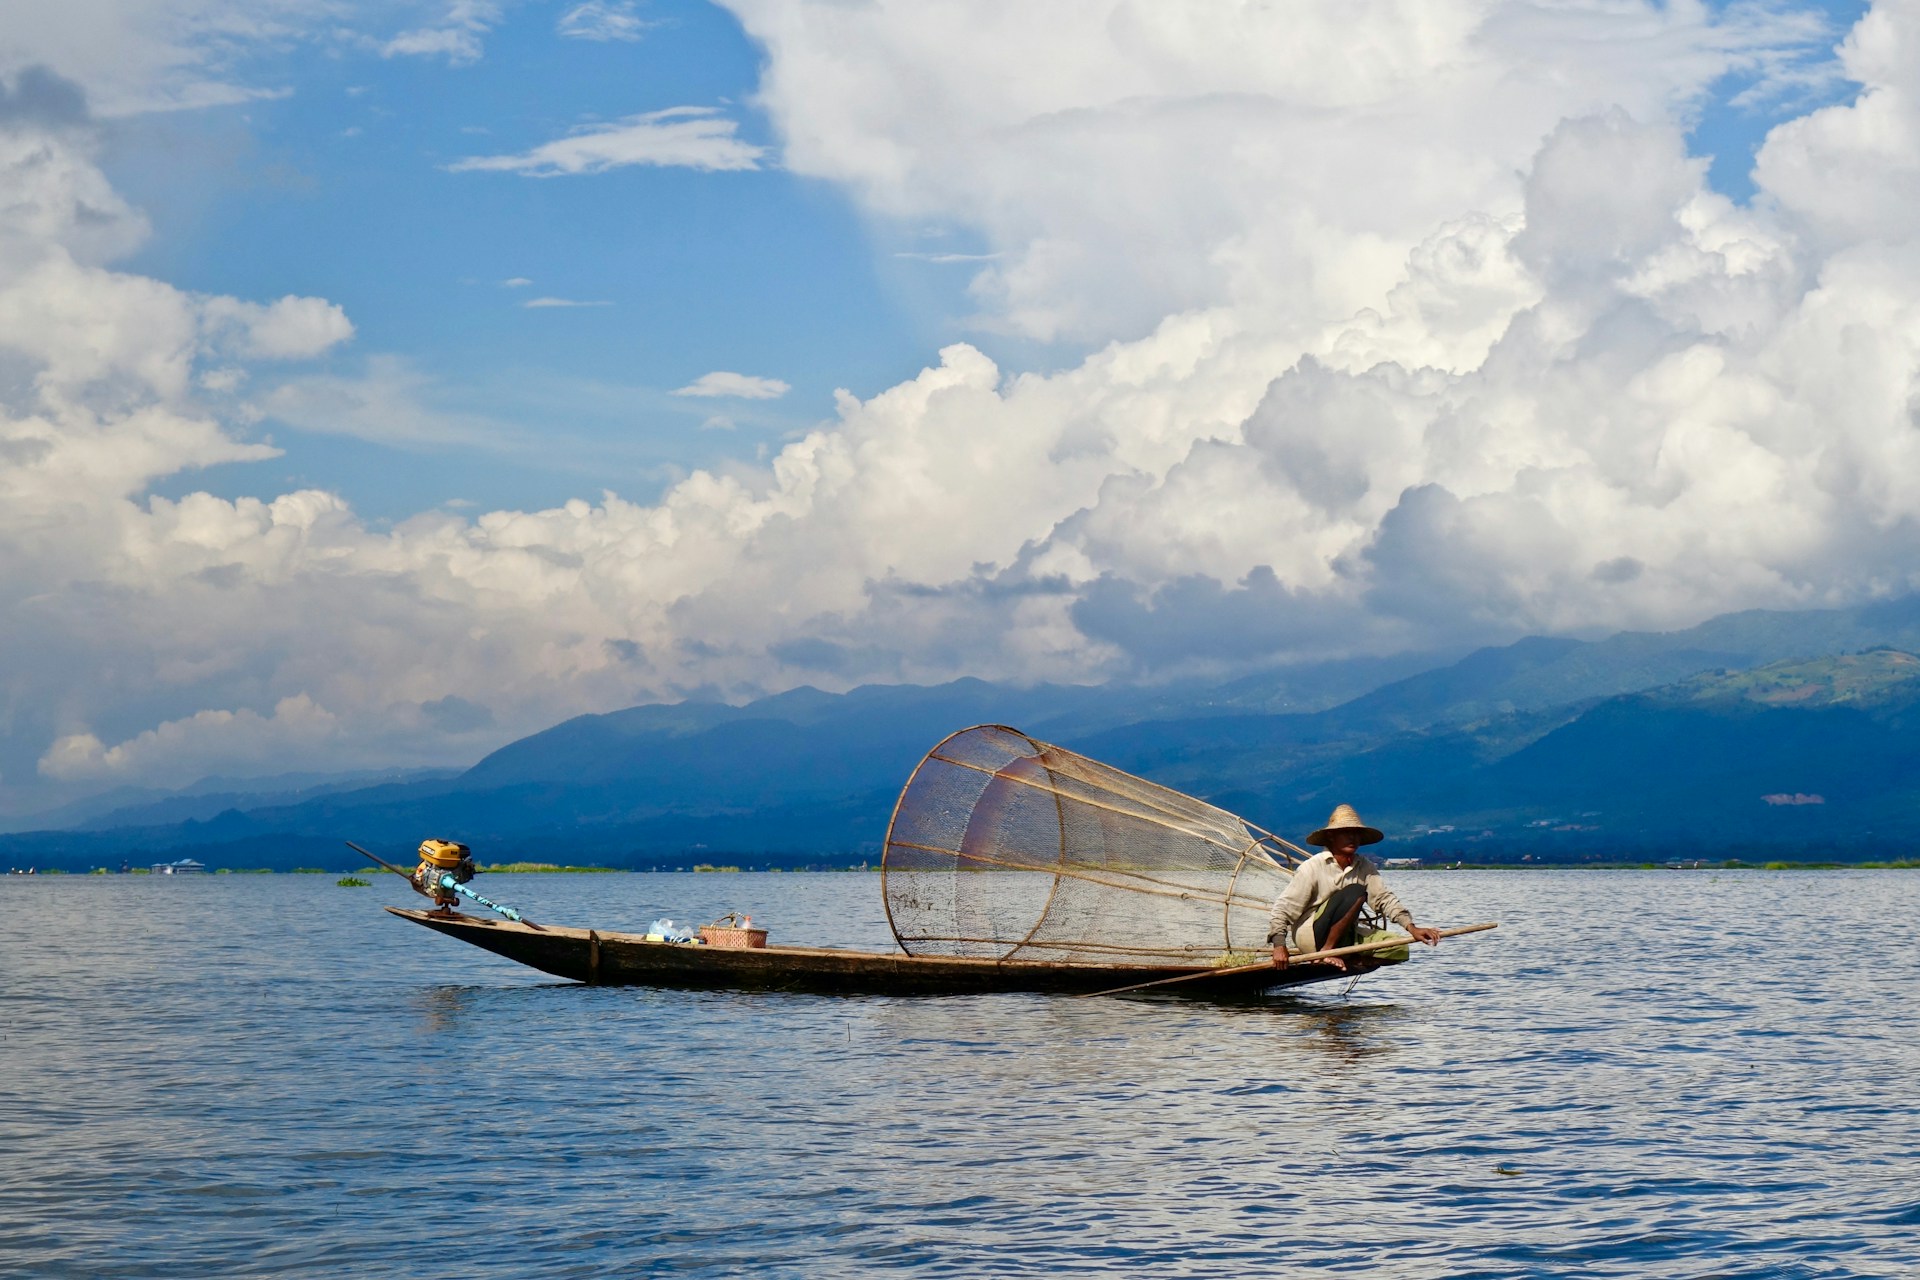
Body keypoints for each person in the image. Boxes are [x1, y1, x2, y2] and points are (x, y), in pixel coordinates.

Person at [1268, 804, 1442, 969]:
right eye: (1346, 833)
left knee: (1399, 948)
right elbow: (1283, 909)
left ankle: (1345, 956)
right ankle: (1327, 952)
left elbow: (1384, 899)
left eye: (1356, 833)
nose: (1353, 838)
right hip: (1311, 936)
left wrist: (1411, 928)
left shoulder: (1364, 866)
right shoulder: (1312, 867)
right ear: (1331, 836)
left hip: (1344, 936)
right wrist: (1279, 945)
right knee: (1356, 890)